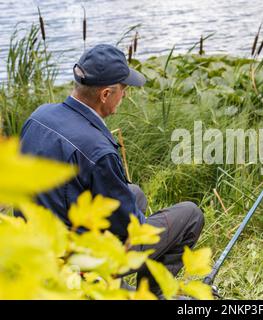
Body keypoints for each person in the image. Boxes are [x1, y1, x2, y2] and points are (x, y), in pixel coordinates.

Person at [16, 44, 204, 295]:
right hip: (72, 259)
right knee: (190, 215)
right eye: (123, 90)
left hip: (31, 238)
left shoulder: (39, 115)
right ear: (105, 94)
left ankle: (112, 285)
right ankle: (151, 294)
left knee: (134, 193)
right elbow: (129, 228)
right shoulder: (98, 150)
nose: (125, 96)